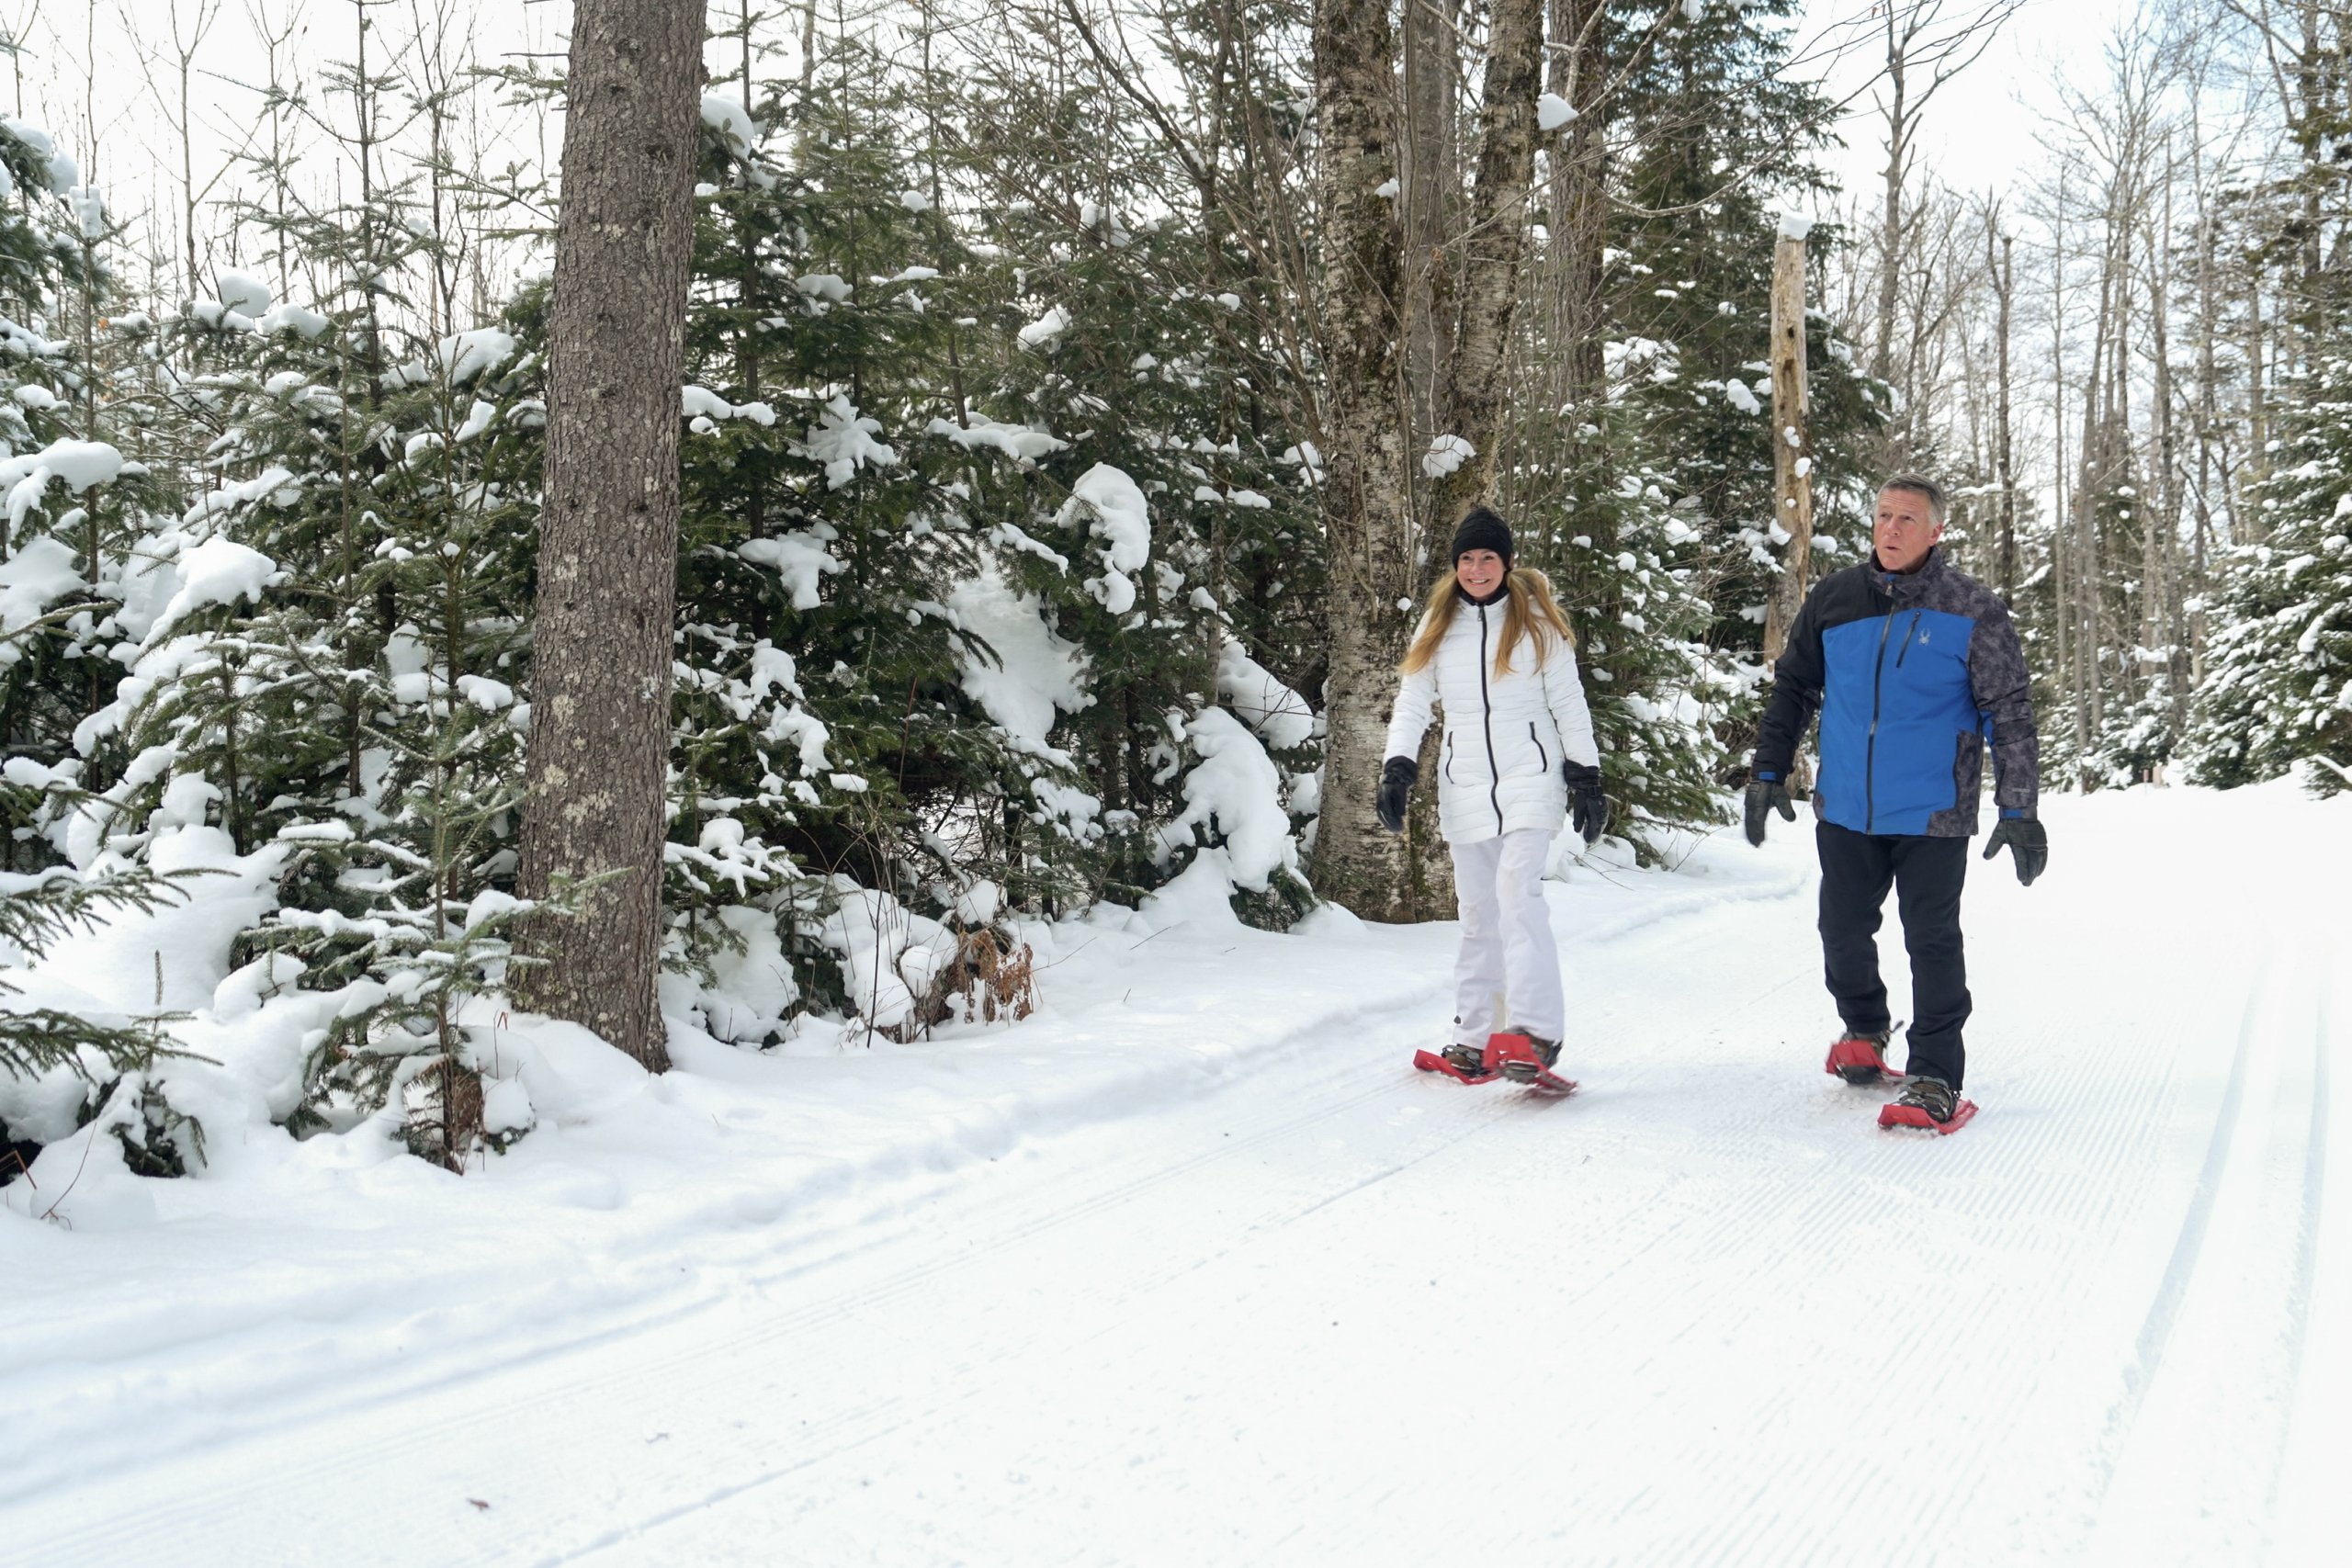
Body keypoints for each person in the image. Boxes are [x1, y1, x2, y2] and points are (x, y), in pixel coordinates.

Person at [1746, 474, 2046, 1132]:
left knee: (1931, 939)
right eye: (1883, 514)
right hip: (1848, 805)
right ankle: (1865, 1025)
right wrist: (1769, 768)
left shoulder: (1971, 608)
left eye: (1907, 519)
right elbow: (1795, 687)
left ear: (1936, 531)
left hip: (1935, 810)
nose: (1890, 528)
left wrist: (2018, 806)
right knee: (1841, 928)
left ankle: (1935, 1073)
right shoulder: (1835, 598)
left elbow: (2010, 712)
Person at [1375, 505, 1607, 1084]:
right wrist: (1397, 768)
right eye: (1467, 559)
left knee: (1517, 897)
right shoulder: (1438, 623)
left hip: (1531, 778)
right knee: (1478, 914)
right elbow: (1411, 703)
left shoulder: (1535, 625)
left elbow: (1569, 704)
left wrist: (1587, 777)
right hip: (1465, 784)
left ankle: (1534, 1032)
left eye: (1488, 558)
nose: (1477, 569)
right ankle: (1475, 1038)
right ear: (1456, 567)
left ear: (1507, 563)